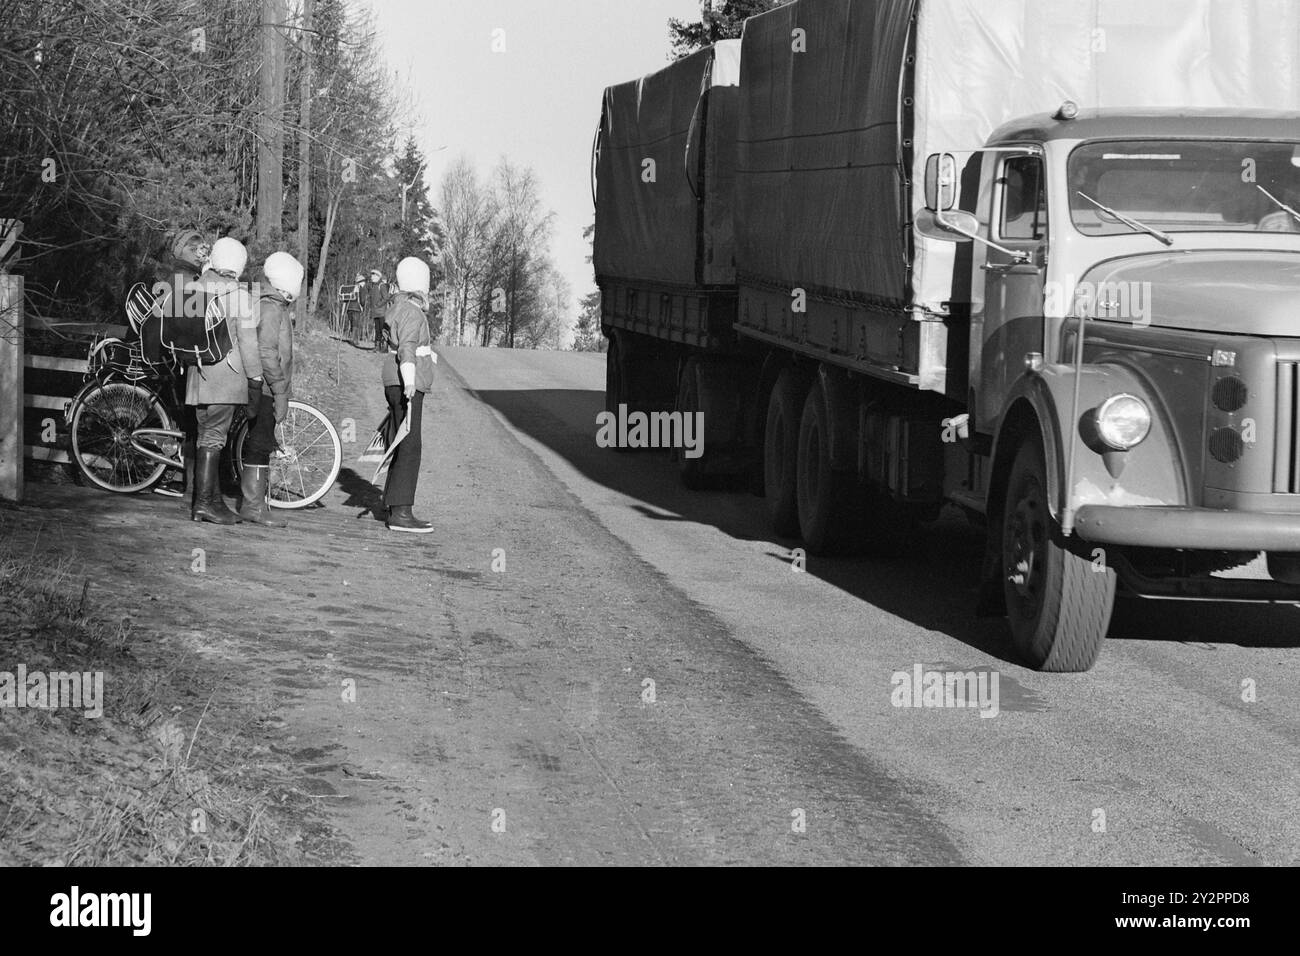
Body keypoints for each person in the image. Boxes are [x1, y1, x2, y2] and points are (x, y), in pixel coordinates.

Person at [184, 236, 262, 525]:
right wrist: (255, 378)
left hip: (197, 376)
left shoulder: (195, 287)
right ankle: (204, 504)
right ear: (238, 264)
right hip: (225, 378)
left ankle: (212, 501)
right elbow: (249, 343)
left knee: (207, 436)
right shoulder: (239, 294)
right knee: (215, 439)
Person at [238, 251, 303, 528]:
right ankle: (253, 506)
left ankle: (254, 503)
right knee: (260, 442)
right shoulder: (272, 307)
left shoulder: (264, 301)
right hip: (265, 386)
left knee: (258, 440)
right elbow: (266, 352)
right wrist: (279, 389)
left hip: (262, 383)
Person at [150, 228, 209, 500]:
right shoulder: (186, 280)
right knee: (194, 423)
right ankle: (191, 487)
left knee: (187, 422)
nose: (202, 254)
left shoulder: (174, 276)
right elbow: (194, 326)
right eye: (197, 250)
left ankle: (183, 480)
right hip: (179, 360)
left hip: (167, 356)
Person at [379, 256, 436, 534]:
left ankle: (392, 503)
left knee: (401, 440)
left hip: (394, 379)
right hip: (406, 381)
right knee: (410, 445)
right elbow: (408, 348)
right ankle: (401, 511)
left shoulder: (397, 308)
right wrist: (411, 380)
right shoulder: (413, 313)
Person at [365, 268, 389, 351]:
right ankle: (377, 346)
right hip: (375, 312)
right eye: (371, 275)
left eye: (373, 275)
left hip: (381, 312)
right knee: (377, 329)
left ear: (378, 276)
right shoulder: (373, 286)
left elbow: (386, 298)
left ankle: (384, 347)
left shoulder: (381, 285)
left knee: (383, 330)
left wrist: (378, 305)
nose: (371, 277)